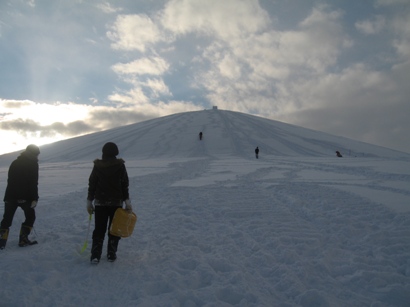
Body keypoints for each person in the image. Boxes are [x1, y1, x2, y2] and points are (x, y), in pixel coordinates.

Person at [86, 142, 132, 263]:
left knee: (99, 229)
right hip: (116, 203)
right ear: (115, 152)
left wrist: (89, 200)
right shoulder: (120, 166)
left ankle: (95, 255)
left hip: (100, 202)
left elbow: (92, 183)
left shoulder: (97, 166)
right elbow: (124, 184)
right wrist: (127, 201)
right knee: (115, 228)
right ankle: (111, 254)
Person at [0, 144, 40, 250]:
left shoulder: (15, 162)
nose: (37, 157)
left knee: (6, 220)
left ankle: (1, 242)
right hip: (25, 198)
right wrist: (34, 198)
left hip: (10, 196)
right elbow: (33, 183)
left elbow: (11, 180)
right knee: (30, 217)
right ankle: (23, 239)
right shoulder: (33, 164)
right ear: (33, 154)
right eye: (36, 154)